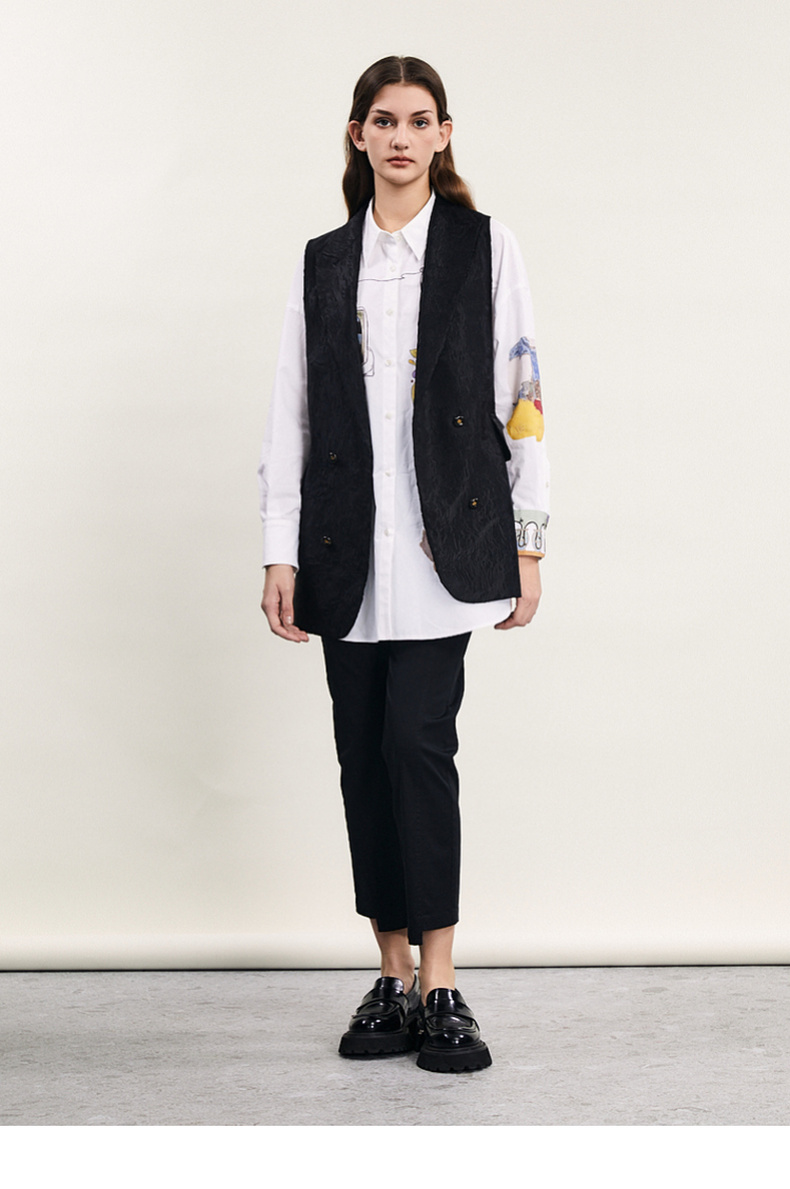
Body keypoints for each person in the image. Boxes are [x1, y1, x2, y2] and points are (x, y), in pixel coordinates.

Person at [258, 55, 549, 1074]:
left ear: (443, 135)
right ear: (358, 135)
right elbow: (291, 411)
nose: (400, 137)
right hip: (343, 550)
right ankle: (388, 974)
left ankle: (442, 982)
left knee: (419, 748)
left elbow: (524, 393)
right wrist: (279, 550)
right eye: (383, 120)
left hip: (441, 552)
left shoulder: (484, 246)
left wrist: (528, 539)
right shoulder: (323, 261)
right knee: (362, 757)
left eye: (419, 121)